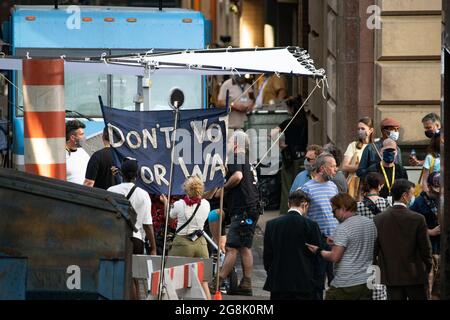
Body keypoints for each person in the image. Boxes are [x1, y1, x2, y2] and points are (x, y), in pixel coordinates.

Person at [307, 193, 377, 300]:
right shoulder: (369, 223)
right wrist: (337, 242)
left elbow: (334, 257)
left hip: (345, 284)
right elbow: (360, 243)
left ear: (343, 208)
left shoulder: (343, 228)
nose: (332, 214)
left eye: (333, 210)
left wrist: (318, 251)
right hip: (366, 282)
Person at [218, 130, 261, 296]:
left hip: (242, 211)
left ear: (236, 144)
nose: (227, 145)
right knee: (244, 246)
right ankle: (247, 283)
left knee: (231, 247)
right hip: (251, 211)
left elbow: (237, 176)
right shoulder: (249, 161)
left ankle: (219, 280)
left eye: (229, 142)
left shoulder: (236, 157)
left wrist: (224, 188)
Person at [373, 179, 432, 300]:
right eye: (412, 194)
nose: (413, 197)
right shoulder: (418, 218)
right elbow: (425, 248)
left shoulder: (378, 219)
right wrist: (428, 266)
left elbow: (374, 249)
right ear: (405, 195)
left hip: (391, 275)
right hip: (415, 274)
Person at [107, 158, 157, 300]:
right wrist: (153, 247)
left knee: (115, 276)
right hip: (136, 239)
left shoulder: (111, 191)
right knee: (133, 278)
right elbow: (148, 224)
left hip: (115, 239)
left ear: (121, 174)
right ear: (136, 175)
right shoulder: (143, 194)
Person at [263, 190, 323, 300]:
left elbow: (268, 255)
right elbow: (318, 257)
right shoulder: (311, 225)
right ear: (305, 205)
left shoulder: (272, 225)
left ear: (288, 204)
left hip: (279, 282)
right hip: (304, 282)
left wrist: (272, 271)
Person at [160, 176, 212, 300]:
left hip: (182, 243)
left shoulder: (179, 204)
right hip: (201, 244)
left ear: (187, 189)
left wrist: (166, 202)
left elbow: (169, 217)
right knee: (204, 280)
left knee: (172, 278)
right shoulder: (206, 204)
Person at [300, 153, 339, 299]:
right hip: (318, 241)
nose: (336, 169)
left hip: (335, 240)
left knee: (335, 280)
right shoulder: (307, 188)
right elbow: (301, 214)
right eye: (333, 166)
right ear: (323, 168)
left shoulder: (333, 186)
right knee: (317, 280)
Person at [272, 95, 308, 215]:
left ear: (292, 109)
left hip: (289, 157)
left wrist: (279, 144)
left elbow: (272, 133)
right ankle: (302, 210)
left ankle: (286, 211)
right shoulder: (305, 121)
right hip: (303, 157)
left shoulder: (288, 122)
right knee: (302, 185)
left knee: (287, 186)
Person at [410, 172, 441, 299]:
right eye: (436, 190)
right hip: (428, 250)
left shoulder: (443, 198)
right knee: (429, 281)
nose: (438, 193)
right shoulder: (418, 203)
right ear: (428, 185)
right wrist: (430, 231)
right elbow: (410, 226)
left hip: (442, 248)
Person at [342, 117, 375, 198]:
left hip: (371, 184)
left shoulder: (375, 147)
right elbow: (344, 166)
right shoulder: (353, 145)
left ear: (371, 130)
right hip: (354, 184)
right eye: (358, 129)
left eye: (363, 128)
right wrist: (362, 167)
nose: (360, 131)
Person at [65, 119, 90, 185]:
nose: (84, 137)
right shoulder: (60, 156)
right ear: (72, 137)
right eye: (81, 134)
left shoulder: (83, 152)